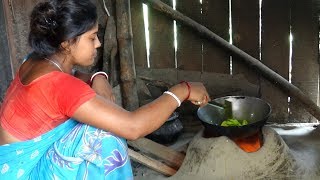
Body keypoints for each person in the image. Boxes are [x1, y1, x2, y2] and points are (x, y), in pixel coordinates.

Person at [0, 0, 210, 179]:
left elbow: (72, 78)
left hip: (11, 162)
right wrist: (183, 90)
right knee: (103, 136)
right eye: (92, 38)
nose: (98, 43)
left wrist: (98, 76)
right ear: (66, 43)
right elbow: (133, 127)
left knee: (96, 122)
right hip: (24, 172)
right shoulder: (58, 85)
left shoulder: (38, 60)